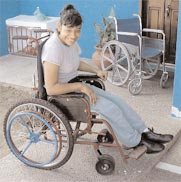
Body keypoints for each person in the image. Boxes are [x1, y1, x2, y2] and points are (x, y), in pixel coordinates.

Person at [42, 4, 173, 154]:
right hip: (67, 95)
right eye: (69, 30)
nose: (73, 35)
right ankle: (135, 141)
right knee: (111, 109)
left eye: (77, 30)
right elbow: (51, 88)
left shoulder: (69, 43)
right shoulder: (53, 48)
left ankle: (145, 132)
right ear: (59, 26)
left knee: (118, 102)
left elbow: (76, 62)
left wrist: (96, 70)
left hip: (77, 87)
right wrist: (81, 87)